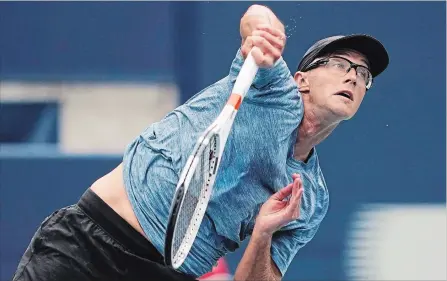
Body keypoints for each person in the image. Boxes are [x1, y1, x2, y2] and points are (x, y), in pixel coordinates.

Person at [12, 4, 389, 281]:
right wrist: (264, 26)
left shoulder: (309, 199)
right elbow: (254, 17)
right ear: (302, 79)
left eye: (363, 75)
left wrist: (263, 233)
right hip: (90, 242)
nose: (354, 77)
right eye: (340, 64)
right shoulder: (275, 91)